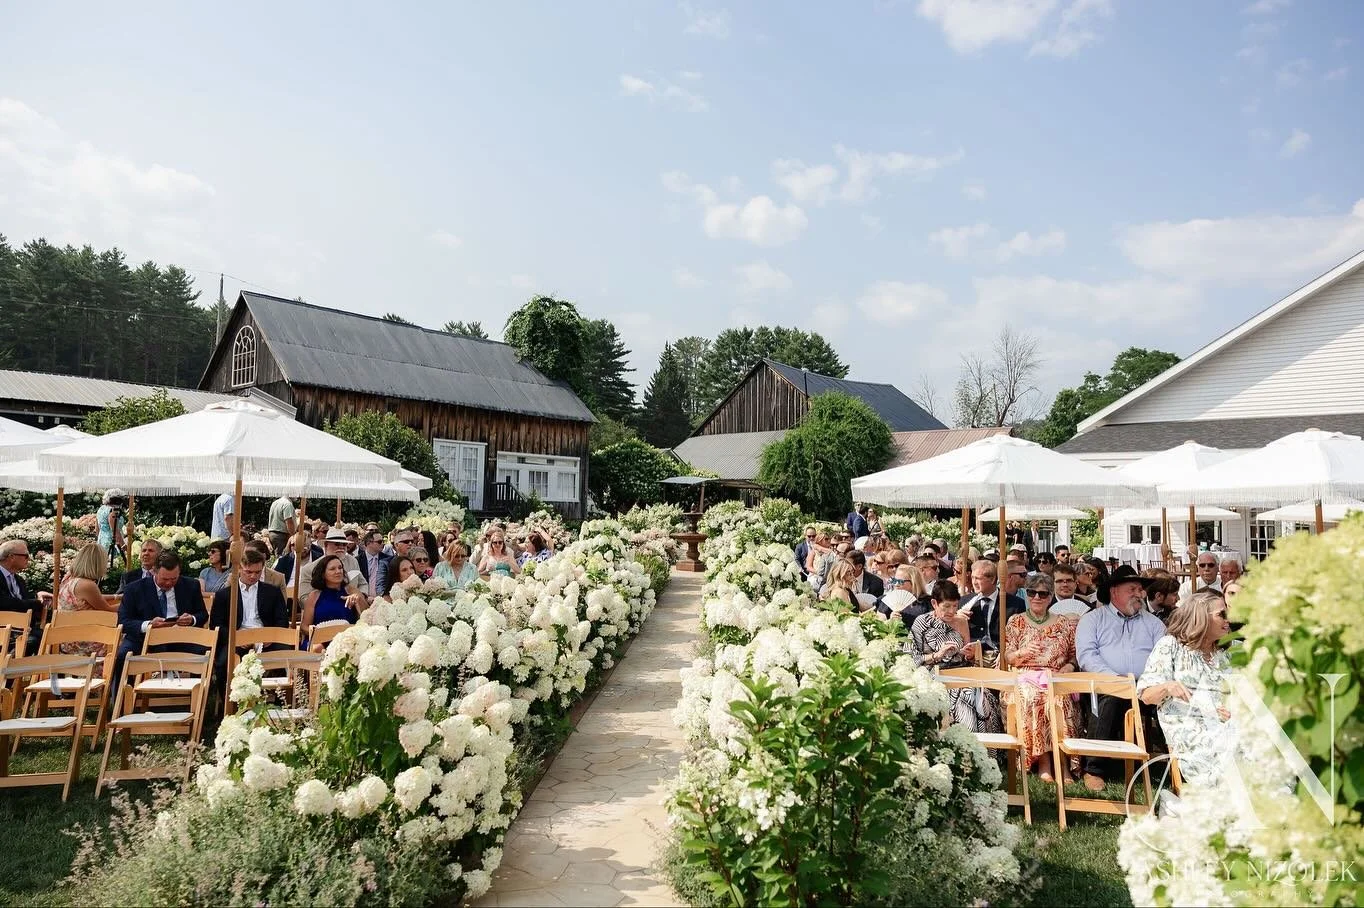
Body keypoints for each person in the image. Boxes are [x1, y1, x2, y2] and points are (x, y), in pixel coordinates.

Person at [1074, 565, 1167, 792]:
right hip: (1106, 683)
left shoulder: (1154, 624)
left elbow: (1163, 655)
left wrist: (1146, 681)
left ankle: (1176, 762)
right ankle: (1094, 768)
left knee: (1172, 698)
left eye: (1141, 590)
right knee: (1110, 697)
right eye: (1132, 589)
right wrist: (1115, 678)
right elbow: (1086, 656)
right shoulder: (1093, 620)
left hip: (1146, 685)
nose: (1139, 594)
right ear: (1114, 591)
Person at [1137, 592, 1234, 786]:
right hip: (1189, 724)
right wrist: (1167, 686)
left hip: (1228, 721)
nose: (1228, 619)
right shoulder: (1170, 646)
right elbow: (1146, 696)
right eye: (1221, 614)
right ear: (1201, 618)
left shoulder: (1228, 653)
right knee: (1226, 747)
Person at [1004, 573, 1080, 783]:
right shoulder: (1016, 622)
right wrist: (1023, 652)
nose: (1037, 597)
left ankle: (1062, 762)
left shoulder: (1064, 623)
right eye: (1032, 592)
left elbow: (1074, 655)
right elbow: (1008, 657)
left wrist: (1069, 666)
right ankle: (1044, 762)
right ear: (1026, 595)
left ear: (1050, 597)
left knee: (1059, 700)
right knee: (1034, 698)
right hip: (1025, 675)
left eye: (1043, 593)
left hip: (1055, 675)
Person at [911, 581, 999, 733]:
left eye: (955, 606)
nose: (951, 611)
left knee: (981, 698)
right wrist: (937, 655)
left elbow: (969, 658)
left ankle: (981, 747)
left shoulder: (961, 621)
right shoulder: (922, 622)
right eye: (946, 606)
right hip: (935, 676)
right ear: (934, 603)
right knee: (967, 697)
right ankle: (966, 741)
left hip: (962, 674)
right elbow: (911, 657)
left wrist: (970, 655)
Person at [209, 548, 290, 690]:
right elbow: (216, 625)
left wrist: (271, 636)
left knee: (286, 658)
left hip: (266, 638)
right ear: (240, 569)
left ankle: (280, 702)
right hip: (236, 638)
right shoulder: (225, 595)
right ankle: (227, 703)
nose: (253, 576)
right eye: (249, 572)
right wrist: (236, 637)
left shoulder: (272, 592)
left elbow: (282, 620)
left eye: (257, 572)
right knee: (223, 662)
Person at [116, 551, 210, 667]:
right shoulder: (134, 589)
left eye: (174, 579)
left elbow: (203, 614)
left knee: (204, 653)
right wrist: (149, 624)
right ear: (154, 572)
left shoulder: (191, 585)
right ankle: (125, 685)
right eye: (164, 579)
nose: (169, 583)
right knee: (123, 655)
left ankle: (198, 684)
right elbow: (123, 621)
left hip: (180, 637)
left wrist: (192, 619)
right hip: (143, 638)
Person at [54, 542, 119, 655]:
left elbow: (88, 600)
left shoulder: (68, 580)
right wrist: (131, 602)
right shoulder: (87, 585)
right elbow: (108, 611)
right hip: (84, 641)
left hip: (66, 638)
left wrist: (116, 596)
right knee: (129, 639)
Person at [960, 560, 1025, 655]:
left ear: (992, 579)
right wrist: (957, 619)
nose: (974, 582)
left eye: (978, 578)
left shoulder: (1015, 604)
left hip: (1002, 657)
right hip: (973, 658)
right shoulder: (964, 602)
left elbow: (1020, 636)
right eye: (972, 578)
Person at [0, 539, 54, 655]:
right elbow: (5, 602)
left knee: (53, 637)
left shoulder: (19, 580)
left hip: (22, 628)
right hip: (4, 629)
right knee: (35, 640)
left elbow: (23, 601)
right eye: (25, 556)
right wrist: (36, 602)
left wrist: (37, 597)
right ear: (11, 557)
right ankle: (7, 668)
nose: (28, 559)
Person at [300, 555, 365, 636]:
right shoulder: (314, 596)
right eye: (332, 569)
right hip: (319, 639)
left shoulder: (352, 591)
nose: (338, 571)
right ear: (323, 574)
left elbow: (367, 617)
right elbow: (304, 626)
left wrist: (358, 600)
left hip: (346, 639)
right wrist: (316, 633)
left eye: (340, 568)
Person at [298, 529, 368, 600]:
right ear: (326, 546)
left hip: (353, 608)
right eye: (337, 544)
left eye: (344, 544)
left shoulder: (353, 561)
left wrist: (360, 596)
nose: (341, 547)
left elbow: (363, 584)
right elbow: (304, 598)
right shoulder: (310, 569)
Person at [96, 489, 127, 568]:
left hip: (102, 539)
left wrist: (99, 538)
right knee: (111, 564)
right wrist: (123, 545)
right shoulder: (112, 512)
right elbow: (115, 531)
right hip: (111, 542)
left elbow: (97, 527)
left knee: (101, 563)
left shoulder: (101, 509)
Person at [357, 530, 390, 599]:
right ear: (369, 543)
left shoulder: (388, 559)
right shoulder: (357, 560)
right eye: (379, 542)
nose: (382, 544)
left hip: (383, 600)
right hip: (363, 599)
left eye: (383, 541)